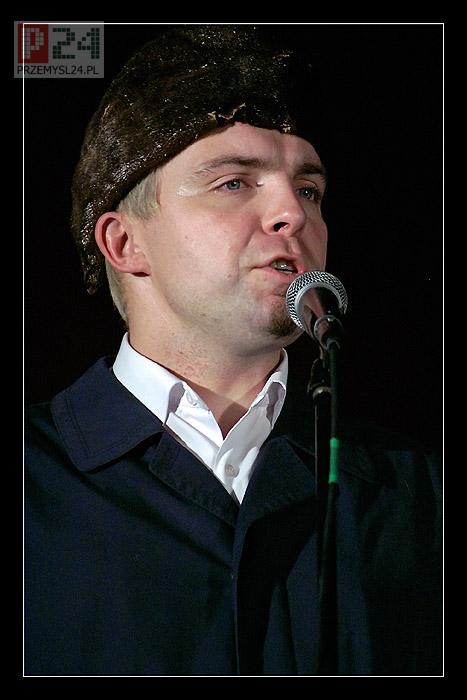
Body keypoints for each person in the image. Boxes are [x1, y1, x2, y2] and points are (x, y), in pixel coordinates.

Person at [25, 26, 442, 676]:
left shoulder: (417, 495)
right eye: (233, 183)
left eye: (309, 191)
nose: (292, 214)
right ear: (125, 244)